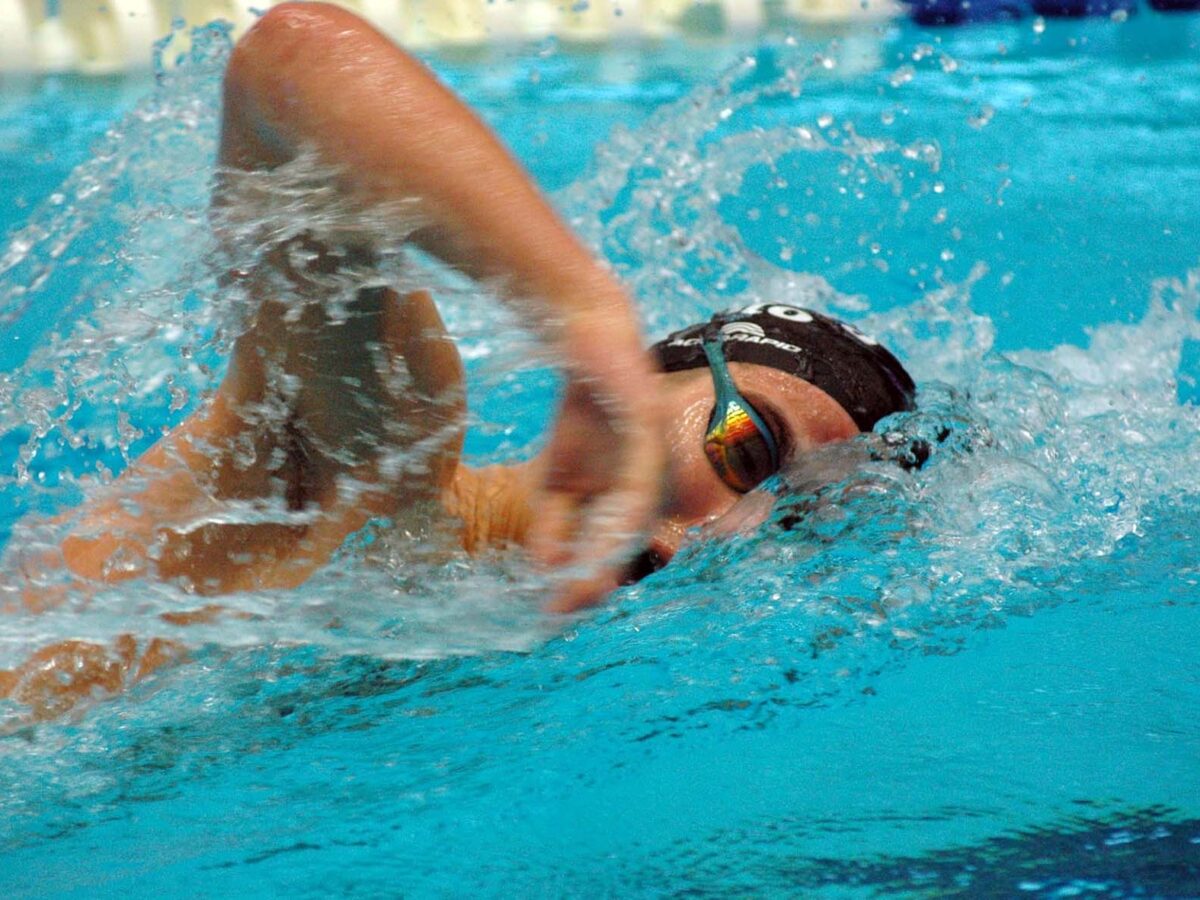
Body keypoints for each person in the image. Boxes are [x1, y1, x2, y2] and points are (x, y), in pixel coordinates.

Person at [0, 2, 914, 719]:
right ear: (655, 376)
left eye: (796, 536)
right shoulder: (380, 449)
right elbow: (287, 65)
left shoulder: (478, 644)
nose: (732, 532)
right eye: (746, 450)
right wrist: (582, 313)